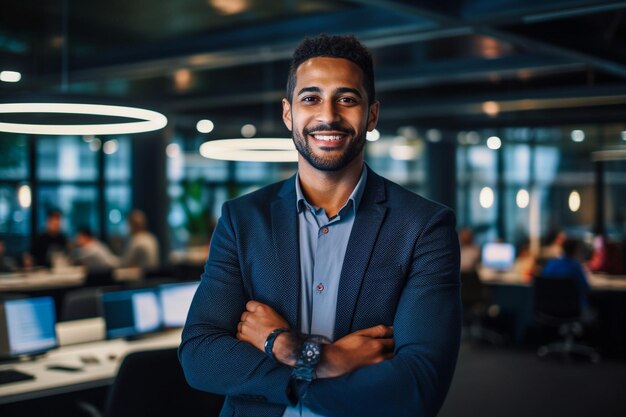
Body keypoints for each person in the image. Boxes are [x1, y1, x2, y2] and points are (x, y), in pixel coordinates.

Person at [179, 34, 461, 417]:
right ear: (288, 113)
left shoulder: (423, 227)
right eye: (310, 98)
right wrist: (319, 364)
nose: (328, 115)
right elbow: (199, 355)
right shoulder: (242, 219)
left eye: (347, 99)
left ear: (372, 114)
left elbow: (417, 386)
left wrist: (286, 347)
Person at [541, 238, 591, 313]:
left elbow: (543, 284)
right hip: (572, 311)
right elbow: (585, 288)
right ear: (576, 250)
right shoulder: (575, 267)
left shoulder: (550, 264)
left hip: (548, 310)